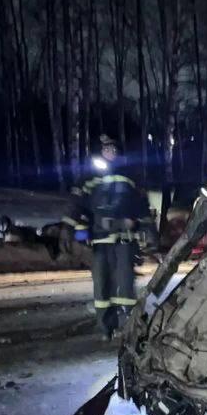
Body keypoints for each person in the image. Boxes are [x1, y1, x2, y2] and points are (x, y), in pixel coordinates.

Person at [70, 134, 149, 338]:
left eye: (114, 149)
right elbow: (79, 206)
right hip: (99, 240)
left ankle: (130, 326)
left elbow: (141, 206)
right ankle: (107, 327)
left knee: (125, 283)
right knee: (102, 285)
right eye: (106, 149)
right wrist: (80, 232)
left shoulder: (130, 175)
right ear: (101, 152)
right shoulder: (89, 178)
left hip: (124, 238)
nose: (110, 152)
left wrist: (142, 227)